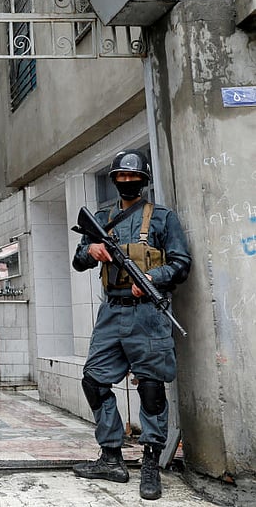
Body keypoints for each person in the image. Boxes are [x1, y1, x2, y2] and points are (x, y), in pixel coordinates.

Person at [71, 149, 191, 501]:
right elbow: (79, 261)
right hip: (111, 312)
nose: (127, 182)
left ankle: (151, 461)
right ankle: (111, 457)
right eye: (121, 178)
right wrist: (90, 250)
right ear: (114, 181)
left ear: (144, 180)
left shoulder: (162, 219)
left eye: (132, 177)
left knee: (151, 388)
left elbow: (182, 263)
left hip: (148, 314)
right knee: (94, 380)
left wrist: (154, 277)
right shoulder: (101, 217)